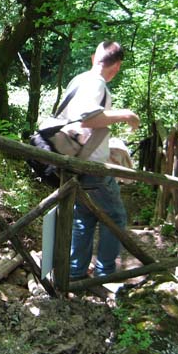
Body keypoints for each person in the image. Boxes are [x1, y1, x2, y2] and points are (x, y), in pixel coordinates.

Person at [56, 41, 140, 280]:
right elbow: (86, 117)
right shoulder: (96, 83)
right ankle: (106, 274)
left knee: (85, 216)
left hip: (74, 160)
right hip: (90, 165)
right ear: (117, 67)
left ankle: (75, 272)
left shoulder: (79, 80)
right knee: (115, 217)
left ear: (94, 57)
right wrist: (126, 115)